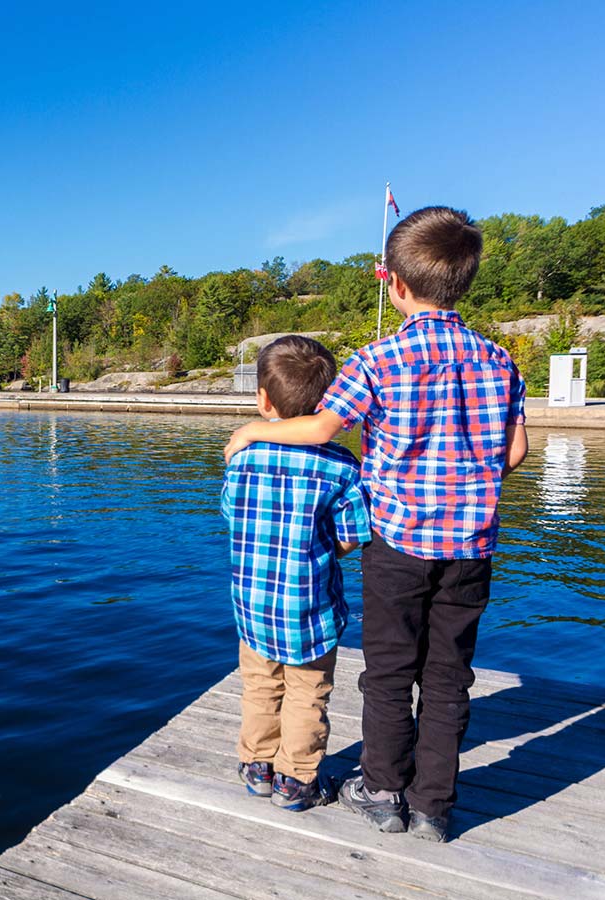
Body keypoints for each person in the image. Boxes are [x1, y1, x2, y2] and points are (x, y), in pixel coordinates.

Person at [224, 206, 529, 841]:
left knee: (389, 672)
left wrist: (253, 430)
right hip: (470, 546)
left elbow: (321, 428)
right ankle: (432, 807)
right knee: (449, 676)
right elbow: (515, 452)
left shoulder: (378, 359)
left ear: (392, 282)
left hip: (397, 544)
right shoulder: (500, 361)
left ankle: (383, 790)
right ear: (465, 280)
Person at [222, 335, 370, 812]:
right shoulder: (343, 468)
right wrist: (320, 550)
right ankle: (294, 780)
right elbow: (352, 534)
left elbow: (230, 513)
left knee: (261, 686)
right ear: (328, 402)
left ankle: (257, 766)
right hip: (312, 609)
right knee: (308, 695)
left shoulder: (243, 458)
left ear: (263, 400)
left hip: (254, 605)